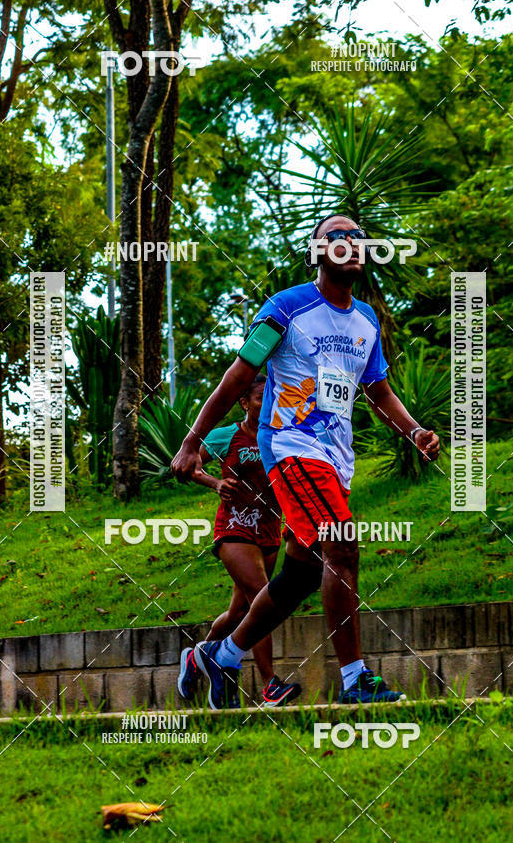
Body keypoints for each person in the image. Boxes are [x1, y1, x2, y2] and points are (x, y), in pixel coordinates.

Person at [172, 214, 440, 708]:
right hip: (291, 447)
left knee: (299, 573)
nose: (351, 243)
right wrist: (192, 441)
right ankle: (356, 679)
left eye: (358, 237)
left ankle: (221, 655)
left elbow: (377, 391)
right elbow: (238, 376)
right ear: (316, 251)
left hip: (335, 458)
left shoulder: (366, 322)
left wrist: (415, 430)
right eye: (336, 236)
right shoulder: (285, 308)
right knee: (343, 545)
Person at [177, 374, 301, 709]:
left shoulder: (282, 436)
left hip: (270, 531)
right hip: (234, 528)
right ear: (245, 403)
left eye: (273, 397)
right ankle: (269, 685)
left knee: (241, 611)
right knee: (264, 597)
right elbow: (191, 465)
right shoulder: (225, 436)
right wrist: (215, 483)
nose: (268, 404)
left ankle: (198, 658)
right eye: (261, 397)